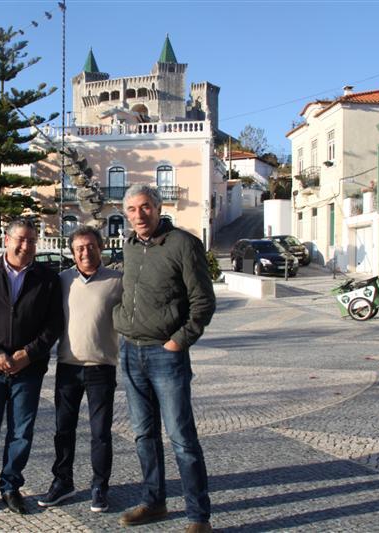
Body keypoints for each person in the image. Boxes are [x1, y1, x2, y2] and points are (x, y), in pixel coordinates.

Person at [113, 184, 216, 533]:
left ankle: (198, 517)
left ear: (158, 208)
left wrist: (179, 341)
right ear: (125, 213)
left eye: (145, 208)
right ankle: (154, 501)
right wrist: (121, 321)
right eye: (131, 209)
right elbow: (129, 291)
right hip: (130, 351)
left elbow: (203, 301)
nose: (139, 215)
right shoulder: (129, 246)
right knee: (144, 436)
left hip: (165, 354)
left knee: (182, 438)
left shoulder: (184, 245)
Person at [0, 218, 64, 516]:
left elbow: (54, 324)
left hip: (28, 370)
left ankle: (10, 486)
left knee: (21, 432)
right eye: (20, 239)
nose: (25, 245)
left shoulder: (47, 278)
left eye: (31, 240)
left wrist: (28, 355)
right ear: (6, 240)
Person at [37, 226, 122, 513]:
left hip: (101, 368)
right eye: (79, 248)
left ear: (101, 248)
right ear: (72, 252)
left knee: (101, 433)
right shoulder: (63, 281)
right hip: (67, 368)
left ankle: (100, 486)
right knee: (63, 430)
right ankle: (63, 482)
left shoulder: (118, 281)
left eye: (90, 246)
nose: (85, 252)